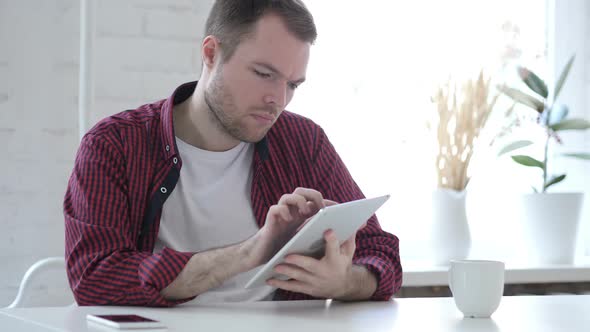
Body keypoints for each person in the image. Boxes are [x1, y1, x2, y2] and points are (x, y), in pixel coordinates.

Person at [64, 0, 402, 307]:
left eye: (292, 84)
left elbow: (382, 255)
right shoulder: (114, 144)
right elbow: (94, 278)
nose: (278, 99)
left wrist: (344, 282)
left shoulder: (303, 141)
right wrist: (249, 253)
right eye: (264, 74)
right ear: (211, 54)